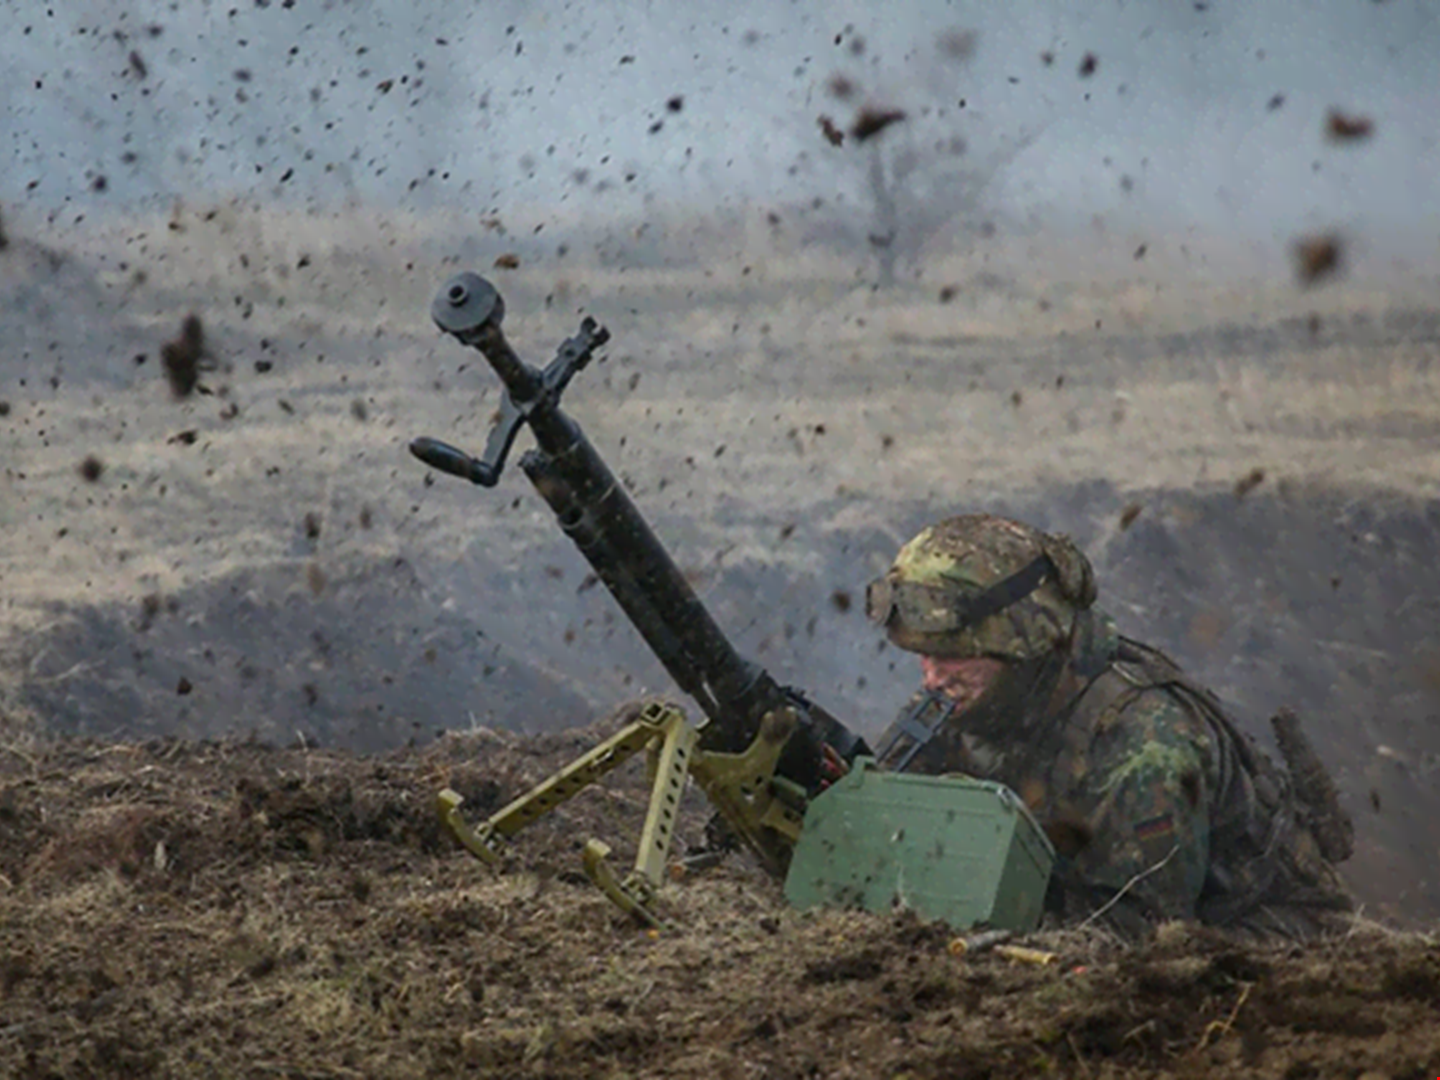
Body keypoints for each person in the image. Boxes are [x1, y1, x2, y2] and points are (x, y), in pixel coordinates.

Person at [866, 513, 1356, 940]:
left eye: (953, 655)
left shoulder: (1145, 748)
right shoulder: (975, 694)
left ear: (1025, 645)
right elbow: (880, 818)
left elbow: (1140, 942)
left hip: (1259, 939)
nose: (931, 677)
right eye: (923, 655)